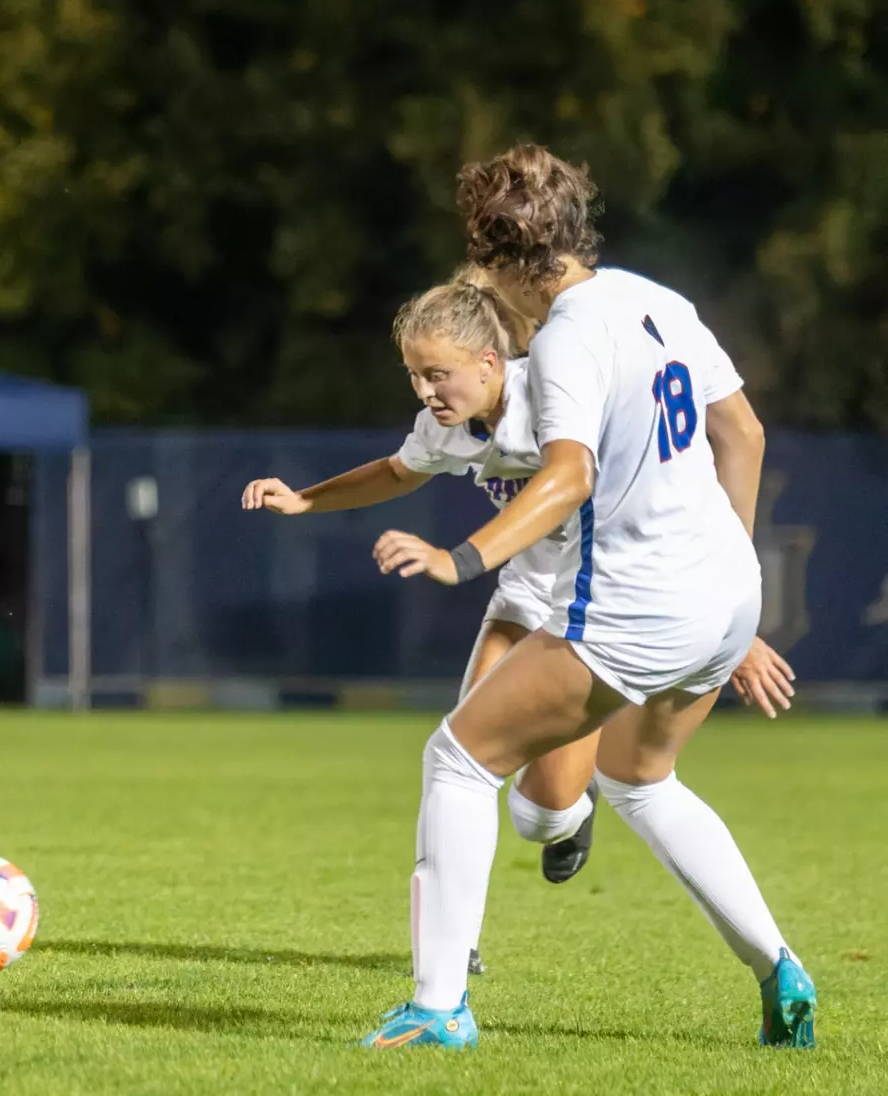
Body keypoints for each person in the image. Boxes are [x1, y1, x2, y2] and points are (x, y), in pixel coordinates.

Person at [359, 145, 814, 1050]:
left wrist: (462, 556)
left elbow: (567, 477)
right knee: (640, 781)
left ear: (498, 259)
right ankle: (780, 969)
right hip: (725, 596)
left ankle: (440, 1010)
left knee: (458, 760)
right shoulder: (659, 300)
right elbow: (746, 434)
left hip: (638, 606)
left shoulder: (566, 332)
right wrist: (730, 578)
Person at [241, 277, 792, 977]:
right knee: (459, 759)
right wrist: (303, 501)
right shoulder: (445, 421)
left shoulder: (561, 392)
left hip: (608, 610)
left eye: (437, 374)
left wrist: (727, 610)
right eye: (415, 375)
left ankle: (567, 811)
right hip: (529, 594)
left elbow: (640, 475)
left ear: (489, 362)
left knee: (539, 813)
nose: (426, 392)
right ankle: (453, 951)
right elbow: (396, 471)